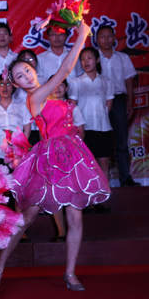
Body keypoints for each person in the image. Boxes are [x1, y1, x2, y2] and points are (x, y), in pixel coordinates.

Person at [0, 21, 110, 292]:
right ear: (16, 84)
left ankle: (70, 273)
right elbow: (65, 69)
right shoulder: (35, 98)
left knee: (76, 217)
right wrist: (82, 36)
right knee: (27, 216)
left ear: (34, 70)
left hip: (72, 155)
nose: (26, 76)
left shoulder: (51, 93)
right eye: (20, 76)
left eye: (27, 71)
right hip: (49, 158)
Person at [69, 47, 114, 213]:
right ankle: (89, 201)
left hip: (103, 128)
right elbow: (72, 107)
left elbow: (108, 104)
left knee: (103, 164)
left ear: (97, 60)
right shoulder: (76, 82)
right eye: (82, 59)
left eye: (89, 58)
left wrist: (100, 116)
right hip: (85, 130)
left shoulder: (107, 81)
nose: (86, 62)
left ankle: (103, 199)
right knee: (87, 166)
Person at [96, 25, 141, 187]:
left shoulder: (123, 57)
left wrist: (130, 102)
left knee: (121, 140)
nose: (106, 39)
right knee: (101, 141)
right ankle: (99, 181)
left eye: (109, 36)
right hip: (99, 102)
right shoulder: (94, 58)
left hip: (119, 101)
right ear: (97, 40)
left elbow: (129, 81)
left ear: (114, 38)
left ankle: (125, 178)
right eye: (102, 36)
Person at [49, 77, 86, 243]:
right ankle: (61, 231)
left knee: (72, 191)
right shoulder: (45, 108)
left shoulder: (73, 108)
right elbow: (43, 134)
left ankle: (74, 230)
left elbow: (81, 132)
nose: (57, 89)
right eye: (54, 86)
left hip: (71, 156)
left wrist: (71, 149)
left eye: (61, 85)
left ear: (66, 88)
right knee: (55, 192)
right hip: (52, 155)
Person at [0, 74, 32, 167]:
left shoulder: (22, 106)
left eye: (8, 84)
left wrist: (20, 147)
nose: (4, 86)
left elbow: (27, 130)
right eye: (1, 84)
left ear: (13, 87)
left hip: (18, 155)